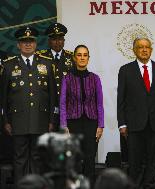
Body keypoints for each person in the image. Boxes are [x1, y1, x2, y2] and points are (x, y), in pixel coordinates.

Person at [1, 26, 56, 182]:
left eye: (31, 41)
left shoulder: (46, 64)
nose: (27, 44)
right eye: (24, 41)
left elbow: (53, 96)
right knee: (20, 159)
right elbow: (3, 98)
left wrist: (52, 119)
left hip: (41, 120)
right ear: (18, 44)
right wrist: (6, 121)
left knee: (38, 158)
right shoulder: (8, 65)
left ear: (36, 43)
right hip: (17, 122)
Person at [117, 37, 155, 189]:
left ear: (151, 50)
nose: (144, 49)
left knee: (153, 162)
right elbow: (120, 99)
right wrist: (122, 123)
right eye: (140, 47)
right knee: (134, 162)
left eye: (147, 47)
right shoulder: (125, 70)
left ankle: (150, 186)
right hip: (134, 125)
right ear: (134, 50)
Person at [60, 44, 104, 186]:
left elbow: (99, 103)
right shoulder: (67, 78)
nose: (82, 57)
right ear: (74, 58)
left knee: (90, 159)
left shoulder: (95, 78)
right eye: (79, 55)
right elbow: (62, 103)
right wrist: (63, 125)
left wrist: (101, 125)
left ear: (88, 58)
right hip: (73, 123)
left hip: (92, 123)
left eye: (85, 55)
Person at [38, 22, 74, 129]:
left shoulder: (72, 57)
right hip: (47, 109)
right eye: (54, 39)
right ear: (49, 41)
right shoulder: (40, 57)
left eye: (60, 39)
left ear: (64, 40)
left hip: (68, 108)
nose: (57, 42)